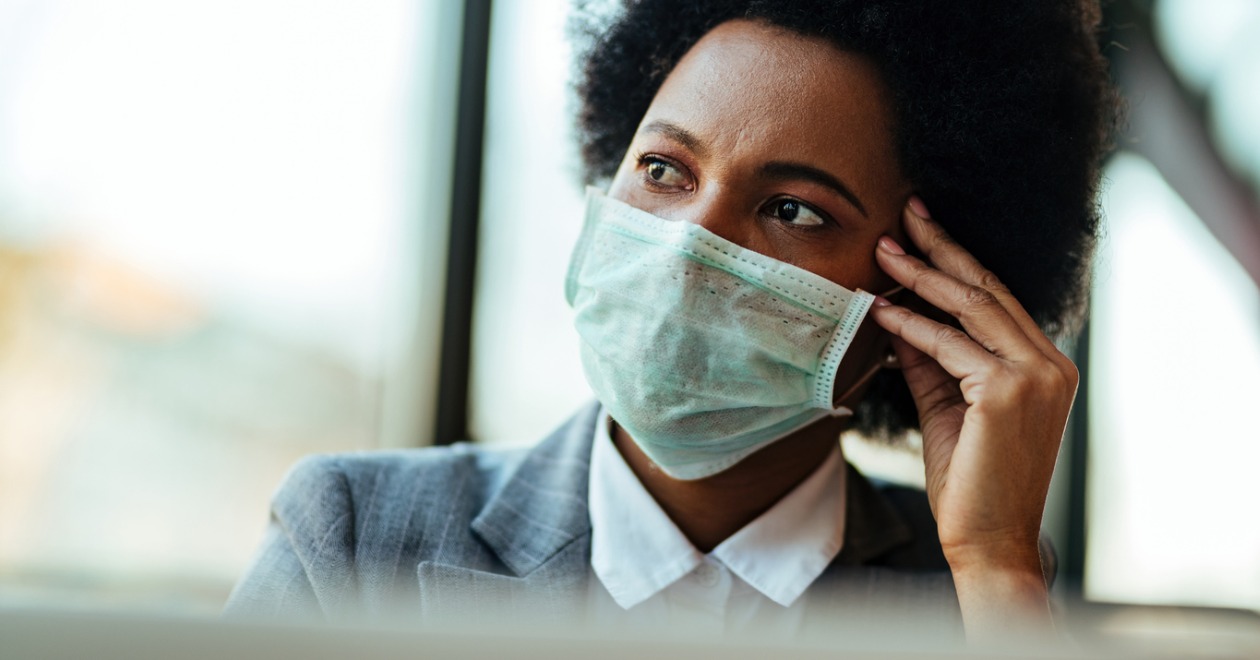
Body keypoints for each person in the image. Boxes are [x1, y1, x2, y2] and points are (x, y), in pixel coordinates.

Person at [225, 0, 1118, 643]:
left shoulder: (975, 599)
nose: (688, 246)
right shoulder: (353, 536)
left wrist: (998, 569)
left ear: (918, 298)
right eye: (663, 171)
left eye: (794, 210)